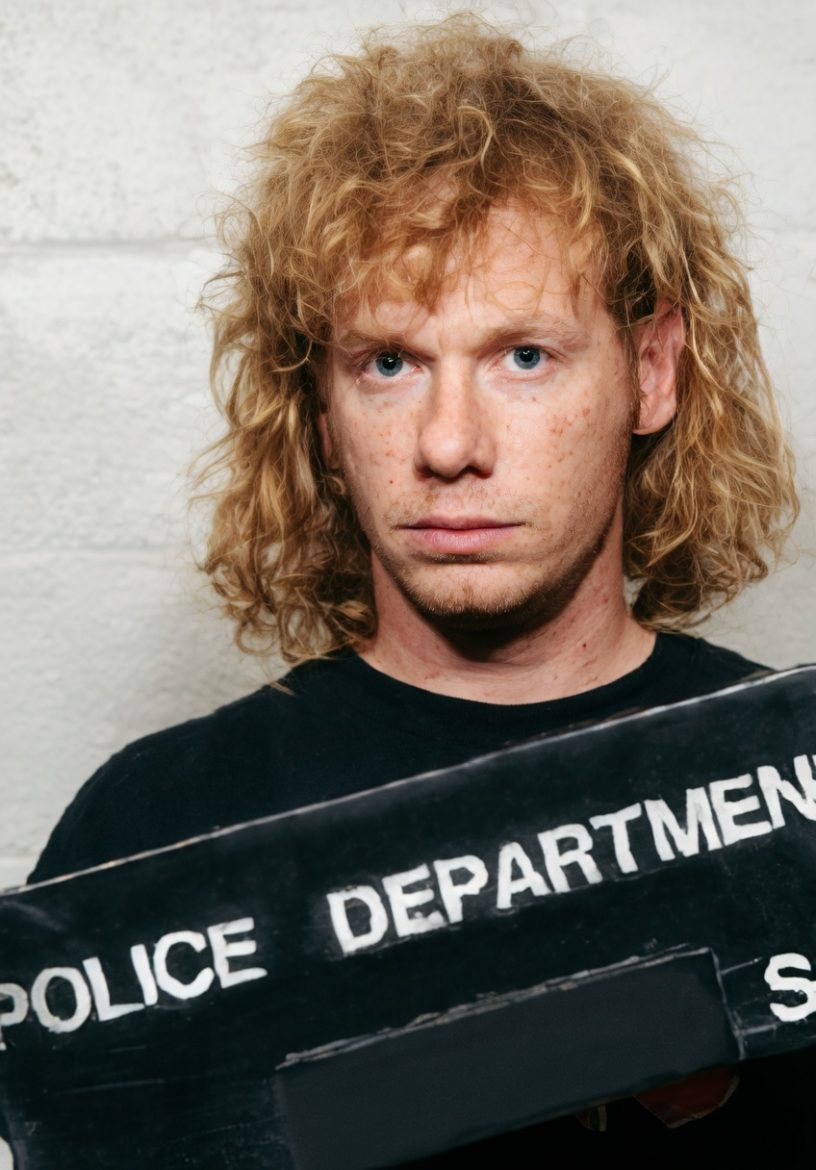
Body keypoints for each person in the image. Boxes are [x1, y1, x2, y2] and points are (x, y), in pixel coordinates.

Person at [25, 12, 806, 1165]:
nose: (448, 444)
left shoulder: (790, 788)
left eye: (523, 357)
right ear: (322, 410)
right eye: (389, 363)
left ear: (650, 371)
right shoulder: (152, 831)